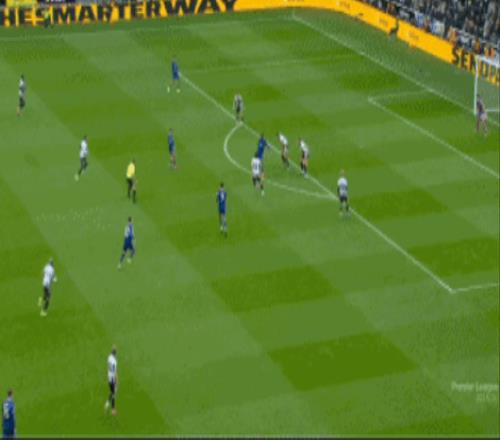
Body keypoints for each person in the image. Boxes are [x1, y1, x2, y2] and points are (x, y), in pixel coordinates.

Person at [104, 346, 118, 416]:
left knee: (112, 392)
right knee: (113, 393)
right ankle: (112, 409)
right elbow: (115, 372)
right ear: (115, 353)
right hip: (112, 378)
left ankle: (108, 404)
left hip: (109, 377)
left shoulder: (109, 357)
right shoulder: (114, 362)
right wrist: (117, 381)